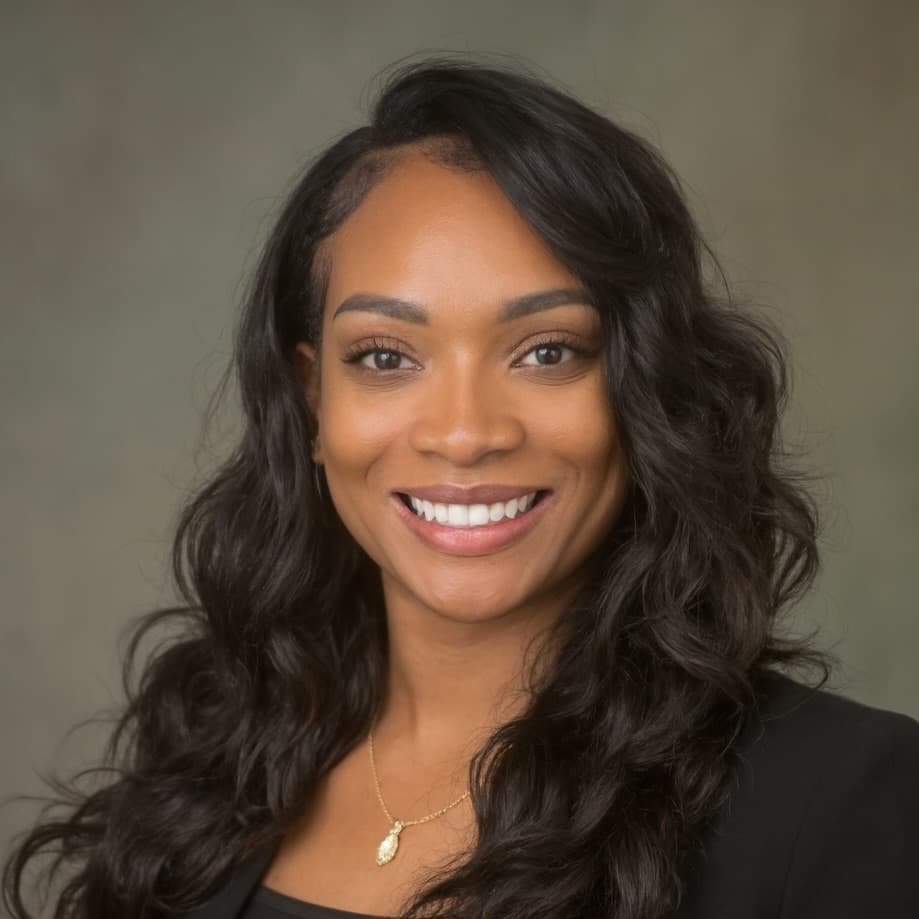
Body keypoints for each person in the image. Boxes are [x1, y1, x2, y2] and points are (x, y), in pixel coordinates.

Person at [3, 54, 918, 919]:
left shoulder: (845, 797)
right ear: (313, 398)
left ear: (645, 386)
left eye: (547, 351)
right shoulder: (208, 757)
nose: (465, 432)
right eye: (386, 356)